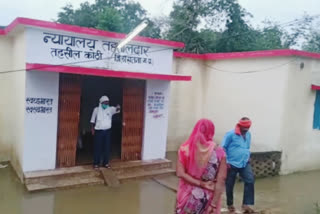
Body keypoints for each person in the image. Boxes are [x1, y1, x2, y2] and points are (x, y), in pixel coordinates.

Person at [175, 119, 227, 214]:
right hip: (207, 199)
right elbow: (221, 180)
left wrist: (200, 184)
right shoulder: (220, 152)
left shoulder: (185, 149)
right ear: (212, 132)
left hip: (186, 196)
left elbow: (180, 173)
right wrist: (213, 204)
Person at [221, 117, 255, 213]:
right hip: (231, 163)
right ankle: (230, 205)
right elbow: (223, 148)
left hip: (244, 162)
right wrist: (226, 161)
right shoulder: (230, 134)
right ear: (240, 126)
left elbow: (247, 147)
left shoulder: (248, 135)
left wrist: (248, 156)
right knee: (230, 184)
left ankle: (245, 205)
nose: (246, 130)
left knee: (250, 180)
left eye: (247, 128)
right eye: (244, 128)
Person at [90, 96, 120, 169]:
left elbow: (118, 110)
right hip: (98, 132)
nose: (106, 104)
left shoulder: (110, 109)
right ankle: (96, 163)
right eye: (105, 103)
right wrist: (92, 129)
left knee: (107, 148)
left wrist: (118, 106)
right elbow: (92, 121)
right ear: (101, 103)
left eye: (107, 102)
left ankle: (105, 163)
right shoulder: (96, 110)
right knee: (98, 147)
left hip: (107, 132)